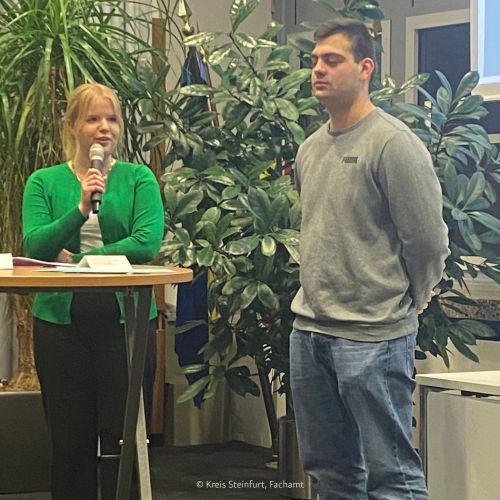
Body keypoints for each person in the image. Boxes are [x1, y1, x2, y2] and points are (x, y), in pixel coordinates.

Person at [290, 18, 450, 500]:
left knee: (392, 476)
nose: (318, 69)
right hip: (310, 333)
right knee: (330, 475)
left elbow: (427, 241)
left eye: (332, 60)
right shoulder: (310, 149)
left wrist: (416, 295)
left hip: (373, 336)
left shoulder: (392, 144)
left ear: (365, 68)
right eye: (315, 60)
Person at [22, 83, 164, 500]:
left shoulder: (138, 178)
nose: (105, 128)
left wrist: (82, 259)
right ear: (71, 126)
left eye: (112, 119)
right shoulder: (43, 182)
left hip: (126, 321)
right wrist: (81, 208)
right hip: (61, 322)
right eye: (93, 119)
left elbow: (146, 243)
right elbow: (36, 245)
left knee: (124, 439)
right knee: (70, 442)